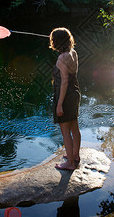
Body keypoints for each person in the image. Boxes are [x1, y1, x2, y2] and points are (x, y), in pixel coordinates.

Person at [49, 27, 81, 170]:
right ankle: (75, 155)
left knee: (65, 130)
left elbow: (64, 81)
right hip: (75, 93)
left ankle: (70, 164)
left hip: (66, 96)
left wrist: (59, 104)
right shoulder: (73, 53)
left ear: (56, 41)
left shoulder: (62, 58)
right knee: (74, 126)